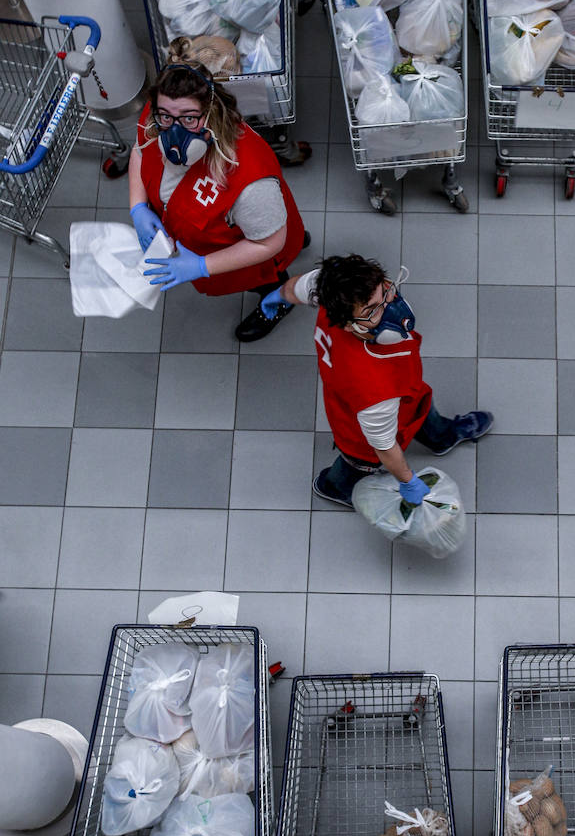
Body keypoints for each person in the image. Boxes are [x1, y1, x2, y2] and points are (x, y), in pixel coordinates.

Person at [263, 253, 493, 507]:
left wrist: (277, 296)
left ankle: (441, 437)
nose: (390, 307)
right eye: (372, 310)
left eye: (385, 290)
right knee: (360, 464)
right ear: (350, 326)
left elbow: (296, 288)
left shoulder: (334, 284)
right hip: (362, 433)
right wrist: (408, 481)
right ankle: (334, 487)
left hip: (407, 394)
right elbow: (384, 447)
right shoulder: (372, 388)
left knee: (421, 408)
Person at [128, 55, 308, 341]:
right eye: (166, 117)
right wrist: (137, 206)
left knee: (269, 276)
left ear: (211, 112)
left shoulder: (248, 179)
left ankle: (276, 301)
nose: (174, 130)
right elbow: (140, 149)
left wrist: (200, 267)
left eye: (189, 118)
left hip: (249, 254)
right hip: (230, 229)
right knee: (270, 225)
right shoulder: (156, 116)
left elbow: (269, 242)